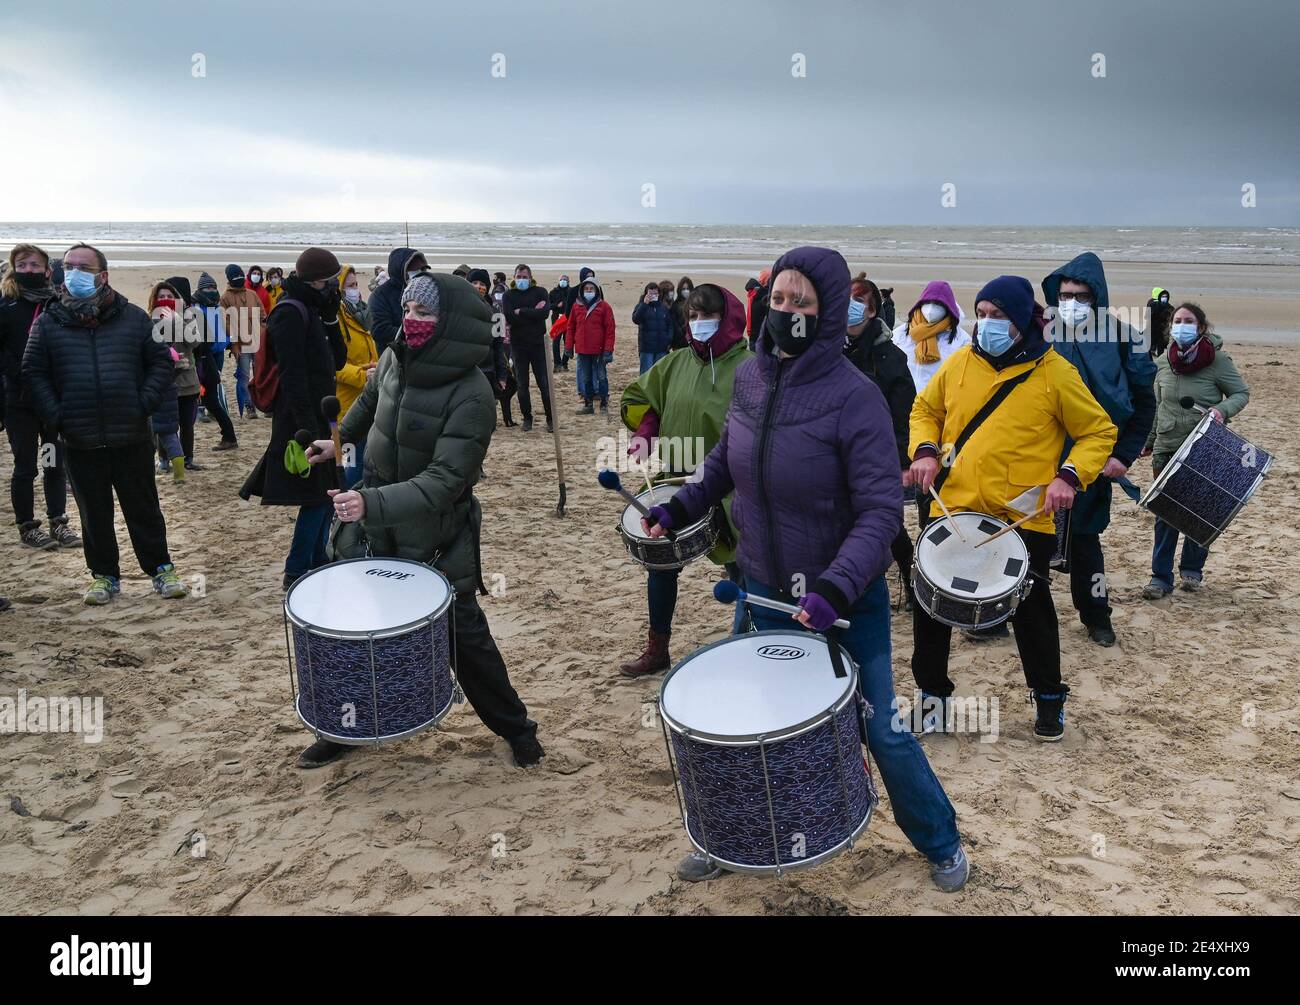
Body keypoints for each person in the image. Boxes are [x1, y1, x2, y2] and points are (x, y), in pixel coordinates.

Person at [643, 246, 968, 892]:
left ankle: (942, 840)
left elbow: (881, 513)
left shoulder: (859, 398)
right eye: (780, 298)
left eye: (803, 302)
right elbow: (724, 460)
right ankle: (729, 836)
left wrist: (834, 585)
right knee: (739, 724)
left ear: (827, 315)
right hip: (761, 587)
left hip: (843, 601)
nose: (785, 310)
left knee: (881, 728)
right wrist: (680, 505)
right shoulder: (751, 379)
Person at [301, 272, 544, 770]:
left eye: (423, 312)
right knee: (360, 630)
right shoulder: (395, 355)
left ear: (449, 322)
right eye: (408, 309)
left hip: (436, 535)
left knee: (465, 637)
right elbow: (368, 405)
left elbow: (445, 480)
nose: (410, 319)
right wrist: (338, 441)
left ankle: (517, 730)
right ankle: (346, 728)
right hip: (374, 525)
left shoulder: (472, 393)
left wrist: (373, 504)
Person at [905, 276, 1116, 741]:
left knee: (1033, 612)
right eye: (981, 314)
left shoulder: (1054, 372)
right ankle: (933, 700)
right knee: (931, 609)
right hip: (952, 510)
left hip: (1020, 521)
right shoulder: (960, 362)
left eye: (998, 315)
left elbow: (1099, 432)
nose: (987, 324)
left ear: (1022, 320)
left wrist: (1069, 476)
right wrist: (922, 450)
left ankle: (1048, 701)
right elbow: (925, 410)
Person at [22, 242, 189, 604]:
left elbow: (161, 363)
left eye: (84, 267)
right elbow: (33, 372)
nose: (75, 273)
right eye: (69, 266)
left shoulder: (132, 317)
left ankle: (161, 569)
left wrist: (141, 403)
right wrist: (58, 415)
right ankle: (104, 576)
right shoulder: (50, 321)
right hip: (79, 437)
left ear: (103, 275)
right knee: (93, 513)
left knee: (143, 507)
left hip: (130, 433)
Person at [618, 283, 752, 676]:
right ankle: (657, 649)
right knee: (661, 566)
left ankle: (746, 646)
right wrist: (645, 431)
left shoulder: (751, 367)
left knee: (742, 568)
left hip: (729, 485)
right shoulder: (675, 363)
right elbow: (651, 400)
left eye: (706, 315)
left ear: (727, 318)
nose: (698, 324)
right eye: (691, 317)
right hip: (676, 479)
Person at [1041, 252, 1157, 647]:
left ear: (1097, 296)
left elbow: (1144, 403)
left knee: (1086, 543)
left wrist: (1122, 455)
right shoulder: (1041, 332)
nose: (1070, 302)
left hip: (1093, 460)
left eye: (1080, 295)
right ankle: (1004, 615)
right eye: (1064, 294)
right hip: (1038, 457)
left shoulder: (1124, 338)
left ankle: (1096, 616)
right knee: (1027, 539)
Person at [238, 248, 347, 590]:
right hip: (302, 417)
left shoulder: (315, 308)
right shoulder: (289, 312)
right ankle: (298, 568)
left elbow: (339, 361)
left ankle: (317, 560)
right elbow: (293, 376)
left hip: (325, 412)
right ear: (314, 280)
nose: (335, 287)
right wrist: (308, 430)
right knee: (316, 494)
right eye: (330, 282)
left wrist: (331, 317)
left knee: (329, 490)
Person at [1139, 303, 1249, 599]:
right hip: (1166, 446)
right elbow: (1158, 405)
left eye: (1188, 321)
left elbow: (1241, 393)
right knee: (1165, 512)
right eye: (1177, 320)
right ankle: (1160, 578)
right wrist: (1148, 440)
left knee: (1199, 509)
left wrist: (1221, 411)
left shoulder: (1219, 361)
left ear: (1201, 328)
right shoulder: (1163, 361)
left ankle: (1192, 570)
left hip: (1205, 446)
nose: (1181, 325)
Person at [0, 243, 79, 551]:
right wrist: (23, 371)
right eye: (23, 265)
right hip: (19, 403)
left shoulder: (57, 305)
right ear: (13, 268)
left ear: (47, 270)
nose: (29, 270)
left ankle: (58, 522)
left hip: (52, 402)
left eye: (35, 265)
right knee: (25, 467)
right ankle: (28, 527)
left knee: (53, 462)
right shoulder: (5, 306)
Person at [844, 273, 916, 610]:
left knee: (888, 523)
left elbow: (903, 415)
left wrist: (902, 461)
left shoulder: (891, 357)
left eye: (858, 302)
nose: (849, 308)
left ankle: (909, 573)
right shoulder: (828, 349)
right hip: (835, 450)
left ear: (873, 311)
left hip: (878, 453)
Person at [891, 280, 970, 522]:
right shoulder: (901, 335)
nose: (932, 308)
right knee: (901, 477)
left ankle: (928, 519)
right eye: (928, 302)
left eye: (937, 303)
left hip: (940, 419)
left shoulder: (961, 340)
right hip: (903, 415)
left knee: (933, 481)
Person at [146, 280, 203, 478]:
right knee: (165, 424)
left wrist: (178, 320)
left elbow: (195, 342)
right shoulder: (150, 319)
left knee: (187, 423)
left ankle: (188, 458)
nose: (166, 300)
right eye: (161, 297)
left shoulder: (188, 316)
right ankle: (164, 459)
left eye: (170, 296)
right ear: (155, 299)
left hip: (188, 380)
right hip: (164, 381)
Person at [334, 265, 377, 487]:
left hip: (368, 401)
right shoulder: (335, 320)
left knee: (364, 467)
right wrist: (363, 374)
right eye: (350, 286)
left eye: (356, 285)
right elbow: (334, 365)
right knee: (348, 469)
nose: (355, 290)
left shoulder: (361, 314)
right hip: (346, 406)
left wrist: (375, 368)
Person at [501, 264, 554, 432]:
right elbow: (509, 317)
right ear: (514, 278)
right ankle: (527, 418)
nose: (522, 280)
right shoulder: (508, 295)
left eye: (525, 277)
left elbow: (545, 313)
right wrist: (532, 313)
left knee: (544, 385)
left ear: (530, 278)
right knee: (522, 385)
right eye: (519, 277)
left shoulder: (540, 292)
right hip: (518, 346)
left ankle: (550, 419)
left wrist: (521, 312)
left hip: (538, 345)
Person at [191, 272, 238, 450]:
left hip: (212, 355)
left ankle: (229, 436)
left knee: (211, 395)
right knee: (209, 396)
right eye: (207, 288)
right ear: (200, 289)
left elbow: (222, 330)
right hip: (203, 355)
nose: (211, 291)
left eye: (213, 287)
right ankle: (226, 433)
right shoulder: (195, 306)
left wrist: (228, 343)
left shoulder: (217, 307)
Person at [468, 269, 514, 427]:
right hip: (467, 368)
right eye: (474, 283)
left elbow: (499, 345)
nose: (478, 287)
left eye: (482, 284)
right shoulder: (461, 309)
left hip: (489, 369)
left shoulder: (496, 313)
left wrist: (502, 375)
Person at [220, 263, 265, 419]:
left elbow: (263, 315)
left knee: (261, 374)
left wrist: (262, 332)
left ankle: (264, 403)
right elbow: (225, 322)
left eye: (240, 275)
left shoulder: (252, 294)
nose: (238, 279)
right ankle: (249, 405)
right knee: (244, 376)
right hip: (240, 345)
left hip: (257, 342)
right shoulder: (225, 298)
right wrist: (234, 343)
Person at [566, 276, 615, 415]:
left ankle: (604, 403)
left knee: (601, 376)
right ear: (582, 290)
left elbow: (610, 330)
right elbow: (570, 328)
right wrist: (569, 347)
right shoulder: (576, 307)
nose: (589, 291)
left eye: (591, 289)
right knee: (586, 378)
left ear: (596, 290)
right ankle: (588, 404)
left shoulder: (604, 306)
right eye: (586, 289)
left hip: (599, 350)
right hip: (582, 349)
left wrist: (608, 350)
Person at [370, 247, 427, 355]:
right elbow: (380, 330)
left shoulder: (426, 292)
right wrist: (416, 333)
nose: (419, 274)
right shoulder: (380, 295)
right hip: (392, 357)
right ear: (401, 271)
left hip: (422, 356)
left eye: (422, 270)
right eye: (414, 271)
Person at [631, 281, 674, 374]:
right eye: (650, 293)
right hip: (647, 349)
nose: (653, 296)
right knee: (646, 375)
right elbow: (636, 319)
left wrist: (669, 339)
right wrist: (644, 304)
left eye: (655, 293)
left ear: (658, 294)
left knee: (659, 375)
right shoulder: (641, 306)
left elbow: (670, 325)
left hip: (661, 348)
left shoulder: (663, 308)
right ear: (646, 294)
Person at [547, 274, 571, 371]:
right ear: (559, 281)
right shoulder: (553, 292)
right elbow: (548, 305)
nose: (563, 281)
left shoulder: (571, 292)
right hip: (557, 319)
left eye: (565, 280)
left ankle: (564, 363)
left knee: (568, 342)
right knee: (556, 341)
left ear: (568, 282)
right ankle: (557, 363)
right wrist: (556, 305)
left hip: (569, 320)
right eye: (562, 279)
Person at [1146, 286, 1174, 359]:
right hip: (1153, 328)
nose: (1164, 297)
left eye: (1165, 296)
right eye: (1162, 296)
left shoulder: (1166, 304)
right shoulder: (1153, 303)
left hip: (1162, 329)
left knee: (1160, 344)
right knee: (1152, 343)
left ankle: (1158, 356)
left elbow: (1171, 310)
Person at [670, 276, 694, 351]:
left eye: (688, 289)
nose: (686, 291)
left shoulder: (695, 304)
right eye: (683, 289)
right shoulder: (675, 305)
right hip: (679, 342)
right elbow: (674, 323)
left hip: (693, 342)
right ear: (680, 290)